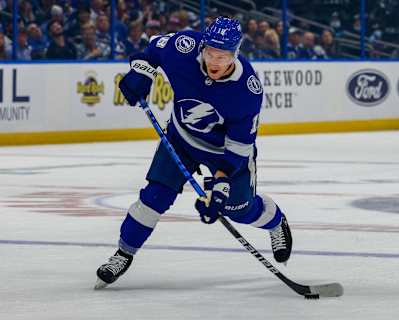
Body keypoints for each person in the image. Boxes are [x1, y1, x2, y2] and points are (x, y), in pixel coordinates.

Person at [94, 16, 293, 289]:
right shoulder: (184, 46)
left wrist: (220, 185)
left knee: (238, 209)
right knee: (154, 197)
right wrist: (141, 71)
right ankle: (123, 253)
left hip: (222, 152)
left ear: (235, 54)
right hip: (180, 137)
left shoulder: (247, 91)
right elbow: (152, 50)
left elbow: (238, 148)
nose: (214, 61)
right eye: (210, 52)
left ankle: (274, 221)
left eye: (222, 57)